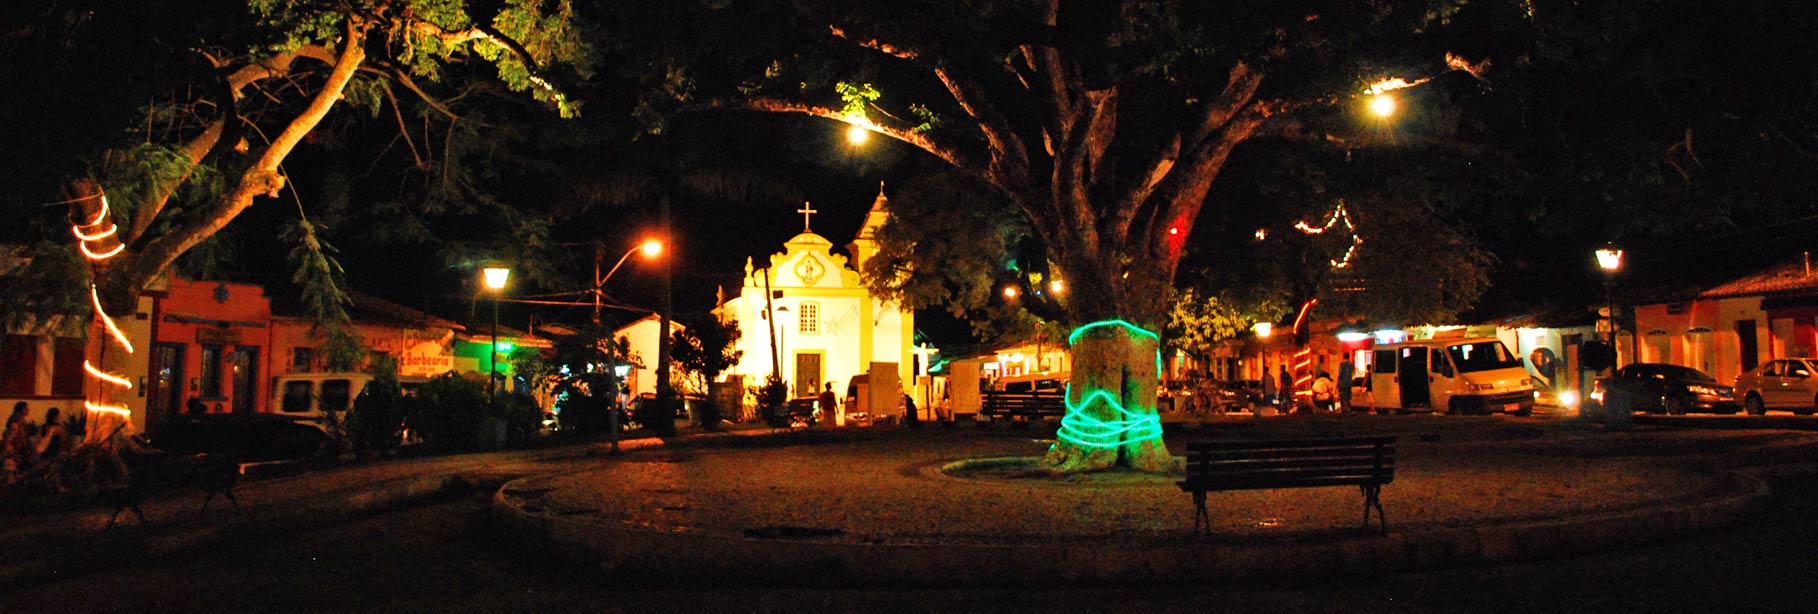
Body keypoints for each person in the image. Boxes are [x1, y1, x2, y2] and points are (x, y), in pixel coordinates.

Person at [3, 402, 33, 487]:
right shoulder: (19, 421)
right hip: (15, 449)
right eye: (26, 408)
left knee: (12, 472)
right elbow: (20, 437)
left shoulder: (15, 420)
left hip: (12, 448)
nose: (28, 410)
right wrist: (27, 449)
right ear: (22, 410)